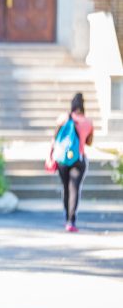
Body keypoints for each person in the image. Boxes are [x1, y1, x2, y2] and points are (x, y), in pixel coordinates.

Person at [53, 93, 94, 232]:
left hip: (62, 159)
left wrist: (51, 154)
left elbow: (56, 138)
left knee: (66, 188)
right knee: (74, 189)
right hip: (78, 159)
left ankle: (66, 216)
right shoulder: (88, 122)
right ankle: (71, 220)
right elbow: (89, 142)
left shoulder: (63, 118)